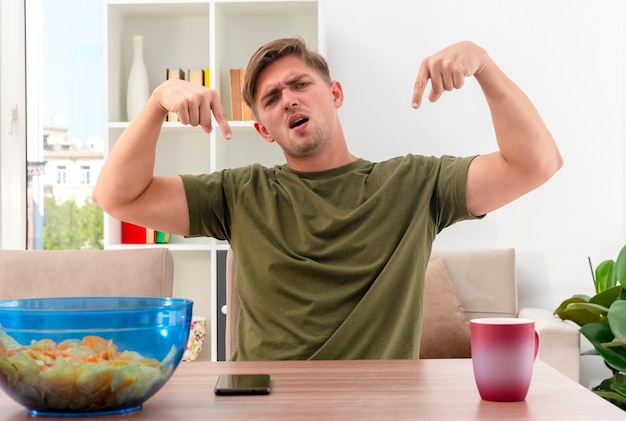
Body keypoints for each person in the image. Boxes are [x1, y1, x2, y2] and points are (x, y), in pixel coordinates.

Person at [93, 38, 562, 361]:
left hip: (378, 404)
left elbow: (535, 163)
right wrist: (158, 103)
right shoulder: (241, 193)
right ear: (263, 128)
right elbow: (116, 195)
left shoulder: (416, 184)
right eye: (272, 98)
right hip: (266, 404)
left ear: (334, 94)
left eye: (300, 85)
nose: (289, 100)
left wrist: (482, 63)